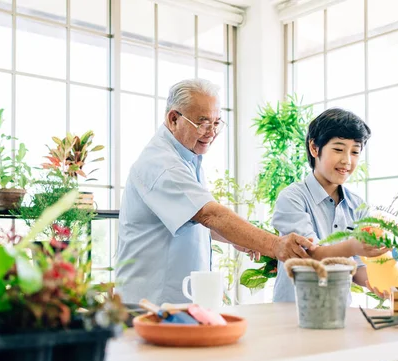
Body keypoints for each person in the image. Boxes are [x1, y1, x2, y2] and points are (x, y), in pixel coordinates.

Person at [115, 78, 316, 305]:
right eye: (202, 123)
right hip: (151, 302)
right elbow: (210, 215)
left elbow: (191, 220)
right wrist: (275, 245)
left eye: (216, 123)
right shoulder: (162, 164)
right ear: (173, 119)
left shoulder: (188, 158)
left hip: (176, 302)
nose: (211, 132)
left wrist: (236, 239)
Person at [272, 108, 388, 361]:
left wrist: (383, 281)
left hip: (338, 319)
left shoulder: (357, 205)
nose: (347, 161)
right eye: (338, 149)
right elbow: (310, 255)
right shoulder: (292, 197)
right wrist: (354, 246)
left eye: (355, 152)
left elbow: (357, 269)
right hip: (293, 316)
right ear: (314, 147)